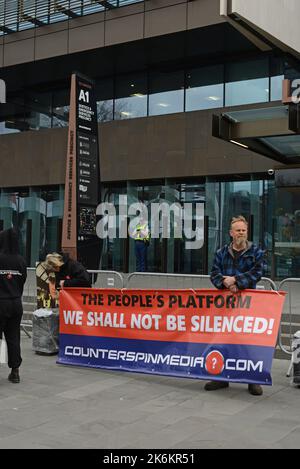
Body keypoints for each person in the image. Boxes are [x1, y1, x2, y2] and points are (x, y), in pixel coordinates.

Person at [208, 215, 266, 396]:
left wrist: (236, 281)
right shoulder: (221, 253)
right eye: (238, 230)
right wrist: (226, 283)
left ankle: (252, 380)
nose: (241, 233)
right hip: (225, 305)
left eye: (244, 230)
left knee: (248, 341)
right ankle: (221, 378)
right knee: (223, 340)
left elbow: (257, 272)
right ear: (231, 233)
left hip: (248, 305)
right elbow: (214, 274)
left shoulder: (256, 252)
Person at [0, 228, 27, 384]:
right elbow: (22, 280)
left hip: (1, 301)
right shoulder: (21, 260)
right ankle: (15, 371)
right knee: (13, 337)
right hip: (16, 302)